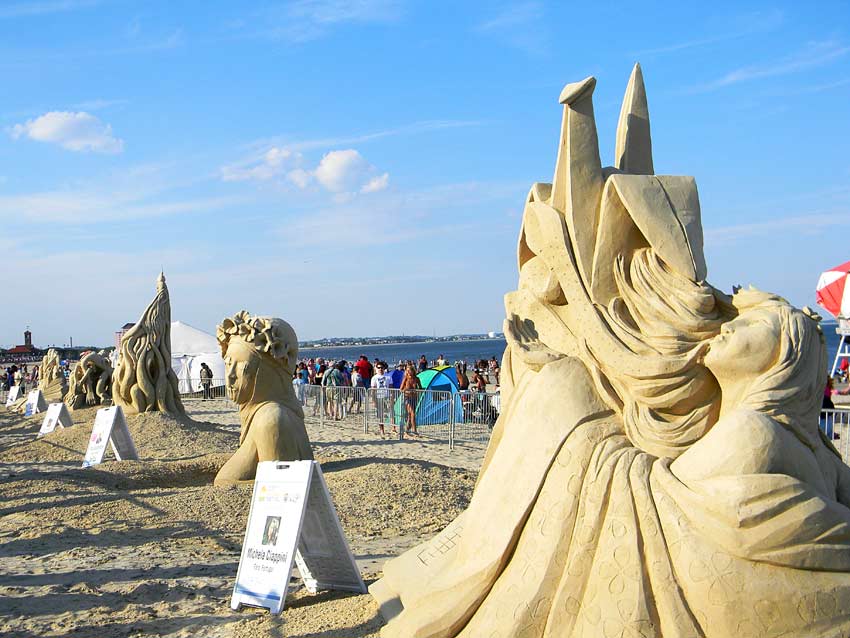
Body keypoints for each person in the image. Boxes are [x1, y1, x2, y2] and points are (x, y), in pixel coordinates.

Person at [370, 361, 394, 437]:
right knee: (380, 415)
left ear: (384, 368)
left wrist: (392, 398)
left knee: (392, 413)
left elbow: (391, 388)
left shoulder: (388, 377)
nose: (380, 369)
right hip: (379, 397)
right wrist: (373, 400)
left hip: (386, 396)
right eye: (379, 367)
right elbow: (373, 390)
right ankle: (382, 430)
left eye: (381, 367)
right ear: (376, 368)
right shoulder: (374, 378)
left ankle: (394, 428)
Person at [400, 364, 421, 436]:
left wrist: (417, 390)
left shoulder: (417, 378)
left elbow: (420, 388)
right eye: (407, 370)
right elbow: (401, 389)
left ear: (413, 371)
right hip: (407, 397)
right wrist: (407, 391)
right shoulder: (406, 378)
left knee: (410, 414)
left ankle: (407, 429)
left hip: (414, 397)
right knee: (412, 413)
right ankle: (414, 430)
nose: (409, 372)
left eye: (410, 370)